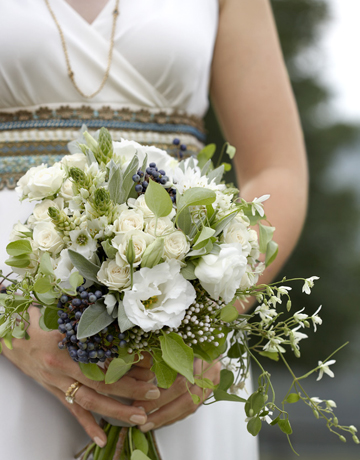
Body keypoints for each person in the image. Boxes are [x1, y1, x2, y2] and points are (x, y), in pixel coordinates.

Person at [0, 0, 308, 459]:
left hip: (185, 334)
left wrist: (215, 312)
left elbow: (276, 169)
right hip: (16, 320)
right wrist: (8, 320)